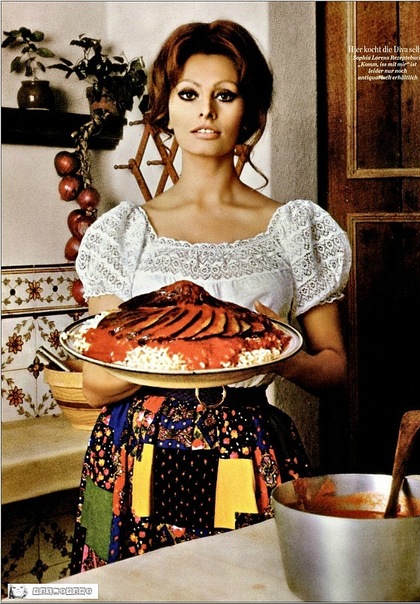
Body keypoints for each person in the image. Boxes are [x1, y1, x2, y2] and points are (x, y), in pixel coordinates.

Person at [70, 19, 352, 573]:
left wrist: (276, 351)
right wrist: (182, 346)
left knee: (248, 583)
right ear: (165, 109)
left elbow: (335, 368)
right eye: (188, 94)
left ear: (249, 111)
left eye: (225, 94)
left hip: (247, 448)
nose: (206, 111)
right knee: (130, 589)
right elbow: (97, 384)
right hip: (132, 450)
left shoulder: (294, 227)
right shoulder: (124, 232)